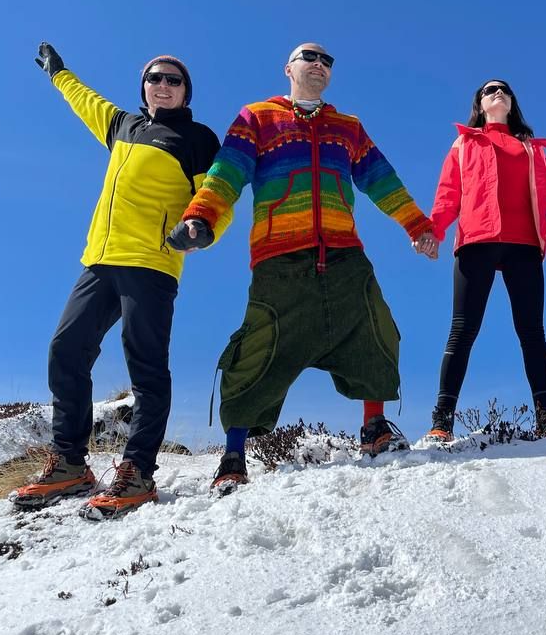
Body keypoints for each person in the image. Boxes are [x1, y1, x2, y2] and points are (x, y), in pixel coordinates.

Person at [168, 43, 436, 494]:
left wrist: (417, 224)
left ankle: (374, 428)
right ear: (288, 69)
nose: (319, 65)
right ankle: (233, 456)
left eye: (327, 61)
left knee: (374, 329)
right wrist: (200, 217)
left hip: (345, 256)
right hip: (279, 260)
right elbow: (227, 173)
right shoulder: (257, 117)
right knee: (257, 348)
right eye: (309, 57)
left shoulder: (348, 127)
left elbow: (381, 179)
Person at [11, 43, 220, 518]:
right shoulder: (123, 125)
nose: (163, 85)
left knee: (145, 365)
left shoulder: (196, 138)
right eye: (154, 78)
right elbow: (87, 101)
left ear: (186, 92)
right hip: (100, 261)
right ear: (143, 86)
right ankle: (69, 462)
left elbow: (215, 193)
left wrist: (202, 228)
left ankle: (137, 472)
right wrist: (59, 74)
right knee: (66, 349)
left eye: (173, 80)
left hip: (152, 262)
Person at [424, 79, 546, 442]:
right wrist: (434, 232)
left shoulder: (532, 151)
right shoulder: (464, 144)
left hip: (524, 246)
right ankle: (442, 421)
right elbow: (448, 197)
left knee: (532, 332)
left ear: (511, 103)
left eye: (504, 90)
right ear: (479, 104)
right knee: (462, 330)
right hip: (477, 242)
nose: (498, 92)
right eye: (489, 90)